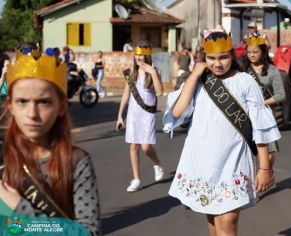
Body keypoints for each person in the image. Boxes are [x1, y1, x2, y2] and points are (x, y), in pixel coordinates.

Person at [163, 26, 281, 235]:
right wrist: (196, 72)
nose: (217, 63)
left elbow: (260, 128)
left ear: (232, 55)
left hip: (233, 162)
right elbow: (179, 110)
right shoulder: (200, 82)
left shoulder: (245, 81)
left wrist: (264, 168)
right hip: (203, 161)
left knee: (226, 222)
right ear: (204, 56)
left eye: (223, 57)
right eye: (211, 57)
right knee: (213, 222)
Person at [0, 47, 101, 235]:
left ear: (61, 107)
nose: (32, 114)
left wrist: (21, 208)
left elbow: (89, 232)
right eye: (22, 101)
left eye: (44, 102)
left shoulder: (76, 161)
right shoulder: (3, 157)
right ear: (10, 106)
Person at [116, 41, 164, 192]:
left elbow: (160, 92)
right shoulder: (131, 73)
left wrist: (153, 73)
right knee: (133, 145)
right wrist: (120, 115)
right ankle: (136, 179)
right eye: (137, 54)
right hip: (133, 113)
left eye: (142, 54)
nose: (139, 57)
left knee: (145, 146)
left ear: (147, 56)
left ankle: (157, 163)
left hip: (147, 113)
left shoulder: (154, 71)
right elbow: (126, 94)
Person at [243, 31, 286, 186]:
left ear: (263, 52)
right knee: (251, 152)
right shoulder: (243, 70)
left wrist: (262, 103)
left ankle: (268, 171)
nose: (252, 55)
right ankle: (255, 185)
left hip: (265, 114)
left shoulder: (273, 71)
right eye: (249, 52)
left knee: (269, 152)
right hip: (246, 115)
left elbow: (281, 95)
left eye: (255, 52)